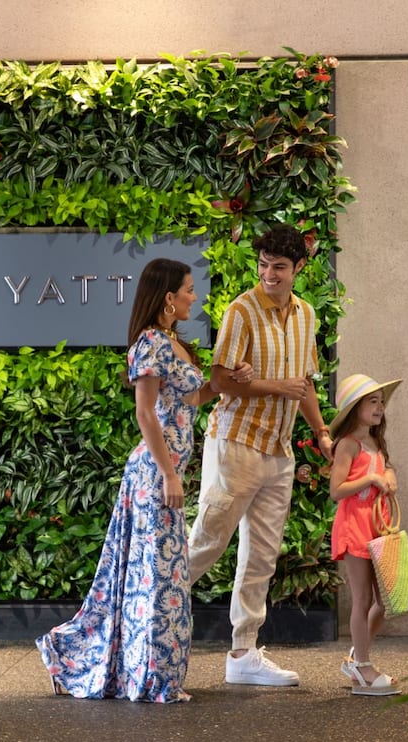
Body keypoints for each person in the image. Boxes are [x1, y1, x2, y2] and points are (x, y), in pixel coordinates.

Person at [37, 258, 250, 702]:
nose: (194, 297)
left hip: (163, 472)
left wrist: (227, 382)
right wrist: (169, 473)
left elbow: (193, 398)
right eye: (188, 290)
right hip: (154, 474)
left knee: (156, 577)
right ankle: (149, 678)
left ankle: (132, 671)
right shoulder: (151, 343)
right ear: (169, 298)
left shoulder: (172, 343)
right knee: (157, 579)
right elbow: (144, 412)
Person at [187, 225, 332, 687]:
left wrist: (321, 431)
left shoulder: (306, 314)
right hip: (236, 444)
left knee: (262, 558)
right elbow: (219, 381)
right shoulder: (241, 310)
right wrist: (277, 387)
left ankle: (243, 653)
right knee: (206, 542)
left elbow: (304, 386)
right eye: (264, 264)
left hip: (279, 451)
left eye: (279, 267)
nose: (269, 274)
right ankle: (140, 622)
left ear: (299, 268)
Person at [327, 372, 403, 697]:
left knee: (384, 602)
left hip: (378, 525)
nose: (380, 407)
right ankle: (363, 666)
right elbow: (336, 490)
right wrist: (371, 479)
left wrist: (389, 475)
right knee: (363, 599)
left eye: (381, 401)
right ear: (354, 407)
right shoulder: (348, 444)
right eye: (372, 401)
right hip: (354, 525)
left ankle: (357, 658)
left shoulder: (376, 443)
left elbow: (386, 468)